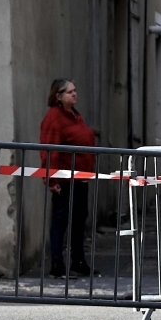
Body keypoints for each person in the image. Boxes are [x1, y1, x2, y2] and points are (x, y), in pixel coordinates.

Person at [39, 78, 99, 279]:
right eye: (69, 92)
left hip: (81, 178)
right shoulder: (54, 118)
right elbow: (50, 149)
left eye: (75, 90)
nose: (74, 94)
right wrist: (51, 179)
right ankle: (57, 264)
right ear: (58, 96)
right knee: (61, 221)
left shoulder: (74, 114)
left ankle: (78, 262)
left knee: (79, 220)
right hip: (65, 179)